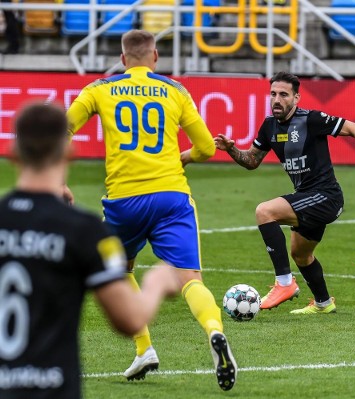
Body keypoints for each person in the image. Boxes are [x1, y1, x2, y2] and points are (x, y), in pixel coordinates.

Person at [66, 30, 238, 390]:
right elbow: (206, 147)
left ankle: (144, 348)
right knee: (190, 278)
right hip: (171, 197)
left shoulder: (100, 88)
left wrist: (59, 181)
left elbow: (61, 129)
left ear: (123, 58)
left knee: (119, 269)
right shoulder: (175, 90)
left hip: (123, 201)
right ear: (155, 57)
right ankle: (214, 331)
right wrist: (183, 158)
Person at [0, 102, 180, 399]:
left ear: (12, 153)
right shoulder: (86, 231)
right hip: (54, 389)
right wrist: (158, 281)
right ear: (70, 152)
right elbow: (130, 320)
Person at [211, 71, 355, 314]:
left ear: (296, 98)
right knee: (301, 255)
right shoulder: (269, 126)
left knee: (264, 212)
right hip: (306, 197)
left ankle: (284, 283)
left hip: (326, 196)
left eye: (283, 94)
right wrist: (231, 150)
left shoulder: (311, 120)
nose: (277, 100)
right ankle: (323, 303)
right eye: (273, 94)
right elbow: (251, 161)